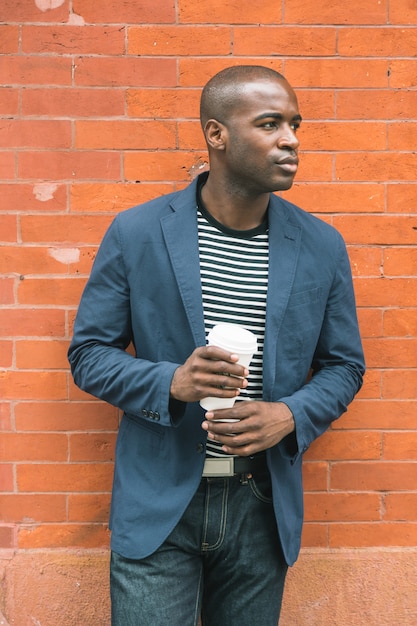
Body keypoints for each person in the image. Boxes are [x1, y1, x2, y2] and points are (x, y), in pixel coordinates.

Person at [68, 65, 365, 626]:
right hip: (159, 503)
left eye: (295, 124)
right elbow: (88, 355)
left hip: (262, 502)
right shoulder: (137, 232)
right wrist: (170, 383)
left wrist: (289, 414)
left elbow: (344, 365)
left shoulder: (322, 246)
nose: (291, 139)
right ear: (216, 135)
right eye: (270, 124)